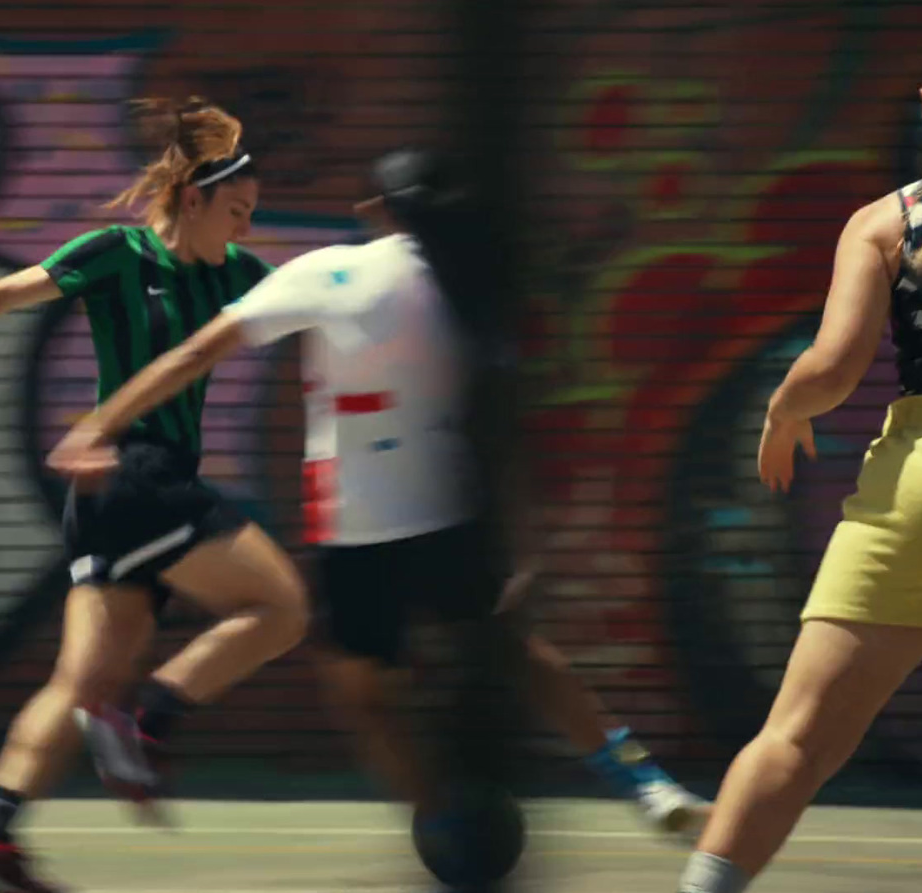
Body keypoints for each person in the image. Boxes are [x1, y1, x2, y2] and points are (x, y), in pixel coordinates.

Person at [49, 146, 710, 879]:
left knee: (366, 697)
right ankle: (643, 780)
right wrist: (523, 540)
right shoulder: (470, 291)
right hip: (450, 515)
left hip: (357, 529)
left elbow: (193, 355)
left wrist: (99, 424)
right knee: (516, 651)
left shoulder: (333, 270)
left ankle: (440, 825)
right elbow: (504, 429)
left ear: (377, 212)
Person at [676, 3, 922, 891]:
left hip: (921, 485)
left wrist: (782, 413)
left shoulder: (885, 220)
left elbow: (831, 367)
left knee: (797, 735)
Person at [0, 98, 309, 893]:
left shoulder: (241, 277)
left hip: (120, 496)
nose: (245, 229)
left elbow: (318, 310)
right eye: (236, 211)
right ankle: (150, 719)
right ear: (191, 199)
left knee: (78, 685)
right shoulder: (119, 252)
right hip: (138, 476)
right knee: (281, 607)